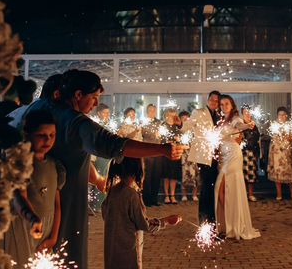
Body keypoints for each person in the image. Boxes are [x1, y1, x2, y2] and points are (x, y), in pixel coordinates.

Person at [24, 70, 184, 269]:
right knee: (66, 255)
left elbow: (73, 153)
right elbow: (114, 144)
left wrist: (98, 179)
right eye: (94, 97)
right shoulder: (76, 122)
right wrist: (162, 150)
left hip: (31, 202)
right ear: (78, 95)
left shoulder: (39, 108)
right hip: (65, 202)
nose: (97, 104)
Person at [1, 109, 65, 267]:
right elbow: (20, 197)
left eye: (52, 135)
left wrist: (53, 237)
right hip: (22, 227)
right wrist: (33, 219)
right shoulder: (19, 164)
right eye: (41, 135)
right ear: (27, 135)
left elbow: (56, 205)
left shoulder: (54, 165)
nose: (47, 140)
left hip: (46, 229)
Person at [102, 157, 182, 269]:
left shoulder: (112, 192)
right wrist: (166, 221)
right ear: (138, 170)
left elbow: (104, 214)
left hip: (111, 255)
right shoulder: (131, 195)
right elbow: (144, 224)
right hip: (128, 255)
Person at [214, 95, 261, 240]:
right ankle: (227, 223)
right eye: (221, 104)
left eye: (226, 103)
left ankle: (234, 225)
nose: (224, 106)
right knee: (222, 189)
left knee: (223, 187)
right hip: (223, 157)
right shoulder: (221, 121)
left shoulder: (235, 118)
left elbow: (239, 126)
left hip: (233, 156)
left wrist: (247, 125)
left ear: (232, 104)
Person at [181, 91, 222, 224]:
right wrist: (179, 126)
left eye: (216, 101)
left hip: (216, 155)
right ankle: (204, 219)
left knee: (212, 186)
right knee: (206, 186)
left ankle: (212, 217)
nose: (213, 102)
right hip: (203, 155)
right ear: (208, 100)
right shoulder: (198, 112)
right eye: (212, 99)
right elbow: (187, 126)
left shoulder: (219, 115)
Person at [268, 107, 292, 201]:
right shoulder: (274, 125)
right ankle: (279, 194)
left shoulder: (290, 126)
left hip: (286, 153)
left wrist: (288, 138)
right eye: (279, 114)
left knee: (290, 173)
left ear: (286, 116)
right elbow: (273, 139)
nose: (281, 116)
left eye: (283, 114)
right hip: (277, 153)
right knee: (278, 174)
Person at [89, 103, 113, 213]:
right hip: (99, 155)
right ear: (99, 113)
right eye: (105, 112)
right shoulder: (95, 125)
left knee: (107, 178)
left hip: (108, 155)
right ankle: (97, 204)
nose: (107, 115)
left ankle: (105, 203)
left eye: (108, 113)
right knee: (98, 177)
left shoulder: (110, 125)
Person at [141, 104, 163, 207]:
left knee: (156, 175)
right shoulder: (143, 122)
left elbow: (163, 135)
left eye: (154, 110)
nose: (152, 112)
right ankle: (146, 199)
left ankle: (154, 199)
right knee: (147, 176)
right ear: (147, 112)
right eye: (150, 110)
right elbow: (143, 134)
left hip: (158, 151)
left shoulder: (159, 122)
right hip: (147, 151)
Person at [159, 109, 182, 204]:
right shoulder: (163, 125)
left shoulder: (177, 126)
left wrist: (178, 139)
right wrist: (167, 141)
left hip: (176, 151)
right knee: (166, 175)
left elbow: (181, 137)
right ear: (166, 115)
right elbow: (161, 139)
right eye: (170, 115)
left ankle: (172, 195)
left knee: (173, 175)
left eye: (174, 115)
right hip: (166, 152)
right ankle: (166, 196)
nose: (172, 117)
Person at [240, 105, 261, 202]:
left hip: (252, 152)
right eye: (245, 112)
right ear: (242, 114)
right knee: (241, 174)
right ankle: (242, 195)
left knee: (251, 174)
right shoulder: (240, 125)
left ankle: (251, 194)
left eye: (249, 112)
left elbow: (257, 139)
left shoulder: (254, 125)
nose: (247, 114)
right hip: (242, 152)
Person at [178, 110, 199, 202]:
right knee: (184, 174)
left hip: (193, 153)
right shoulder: (180, 130)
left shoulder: (194, 129)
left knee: (194, 174)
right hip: (184, 154)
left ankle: (194, 194)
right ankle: (184, 195)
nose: (186, 120)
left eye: (187, 118)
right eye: (183, 119)